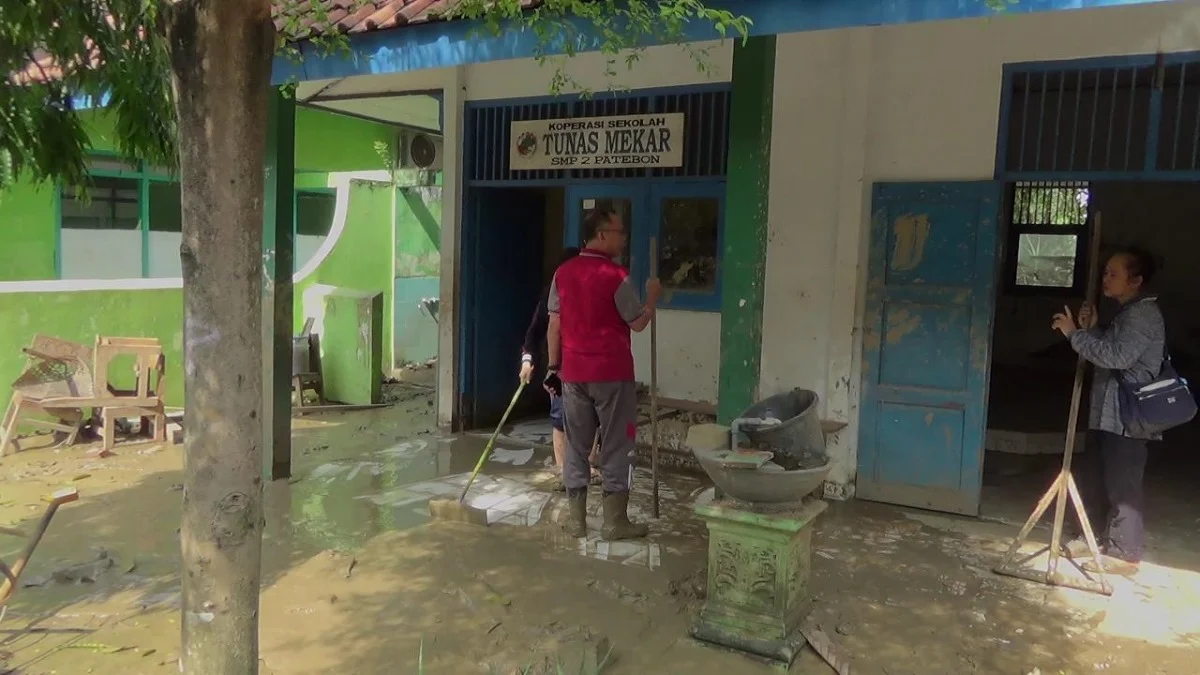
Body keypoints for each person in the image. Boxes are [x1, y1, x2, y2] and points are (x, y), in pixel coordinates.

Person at [546, 207, 661, 541]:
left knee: (577, 446)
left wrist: (554, 368)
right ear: (600, 235)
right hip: (612, 373)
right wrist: (652, 298)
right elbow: (638, 323)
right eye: (619, 232)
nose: (623, 238)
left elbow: (555, 324)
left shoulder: (562, 273)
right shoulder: (615, 275)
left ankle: (576, 522)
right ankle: (615, 523)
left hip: (574, 373)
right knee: (616, 444)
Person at [1052, 247, 1164, 575]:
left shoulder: (1143, 315)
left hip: (1127, 417)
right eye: (1105, 273)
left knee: (1122, 484)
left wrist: (1075, 335)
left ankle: (1123, 551)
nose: (1106, 279)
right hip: (1109, 414)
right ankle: (1098, 537)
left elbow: (1117, 359)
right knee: (1102, 476)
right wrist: (1092, 331)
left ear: (1136, 281)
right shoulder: (1127, 313)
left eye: (1113, 274)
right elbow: (1112, 350)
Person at [518, 247, 600, 491]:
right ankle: (564, 469)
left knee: (592, 416)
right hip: (561, 368)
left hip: (591, 366)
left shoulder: (594, 295)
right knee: (560, 417)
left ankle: (587, 467)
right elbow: (533, 334)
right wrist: (527, 360)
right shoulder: (549, 298)